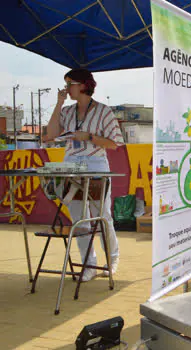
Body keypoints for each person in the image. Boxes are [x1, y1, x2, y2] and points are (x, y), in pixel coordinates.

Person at [46, 68, 124, 282]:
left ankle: (112, 259)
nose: (66, 88)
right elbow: (50, 136)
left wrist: (89, 136)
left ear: (82, 85)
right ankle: (88, 264)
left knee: (102, 216)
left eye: (69, 83)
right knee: (79, 218)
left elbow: (114, 143)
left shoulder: (103, 111)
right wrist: (59, 103)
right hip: (71, 166)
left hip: (96, 166)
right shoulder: (67, 112)